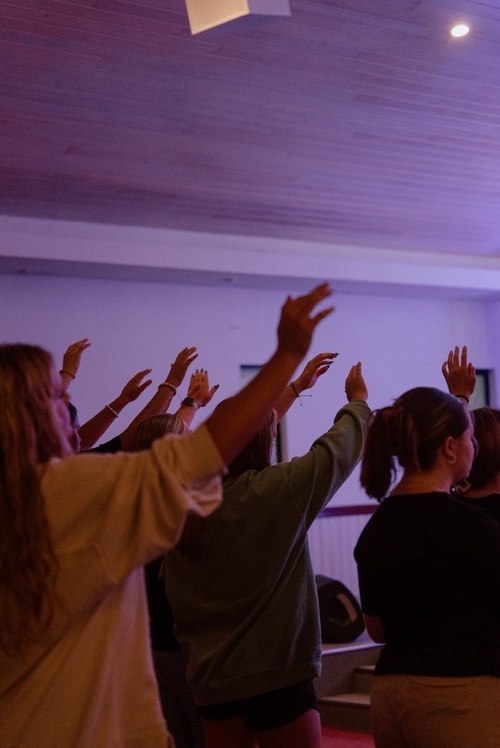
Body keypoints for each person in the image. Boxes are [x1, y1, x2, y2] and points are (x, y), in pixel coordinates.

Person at [0, 282, 333, 748]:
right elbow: (203, 452)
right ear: (34, 417)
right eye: (59, 399)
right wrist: (286, 357)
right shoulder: (68, 491)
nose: (70, 414)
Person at [165, 356, 371, 748]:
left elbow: (249, 431)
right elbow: (336, 451)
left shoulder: (186, 509)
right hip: (277, 678)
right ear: (269, 442)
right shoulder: (277, 489)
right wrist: (358, 402)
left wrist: (295, 388)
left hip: (213, 683)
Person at [354, 376, 500, 748]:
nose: (474, 448)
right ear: (450, 447)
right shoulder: (469, 526)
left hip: (388, 695)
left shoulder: (377, 527)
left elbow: (377, 629)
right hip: (455, 698)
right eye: (470, 439)